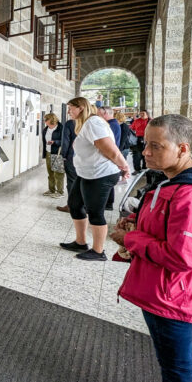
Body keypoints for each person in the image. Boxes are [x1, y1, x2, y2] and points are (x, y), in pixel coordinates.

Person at [112, 114, 192, 382]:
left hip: (174, 293)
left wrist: (131, 238)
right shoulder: (177, 180)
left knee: (177, 368)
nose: (145, 152)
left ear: (183, 149)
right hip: (180, 290)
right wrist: (138, 222)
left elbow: (184, 257)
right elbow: (171, 226)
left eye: (155, 146)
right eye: (146, 144)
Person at [60, 97, 129, 261]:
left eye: (71, 108)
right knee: (75, 205)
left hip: (100, 174)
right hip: (87, 172)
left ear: (81, 108)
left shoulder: (93, 123)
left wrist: (124, 167)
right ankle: (80, 241)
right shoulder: (86, 124)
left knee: (95, 211)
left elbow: (111, 150)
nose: (69, 111)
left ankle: (98, 251)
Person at [98, 106, 121, 212]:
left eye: (99, 114)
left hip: (108, 156)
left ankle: (107, 203)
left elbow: (108, 143)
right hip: (109, 156)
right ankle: (108, 203)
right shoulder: (113, 124)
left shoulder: (111, 125)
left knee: (106, 182)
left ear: (105, 114)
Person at [56, 114, 78, 214]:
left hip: (71, 157)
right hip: (86, 159)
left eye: (71, 108)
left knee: (71, 182)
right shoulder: (92, 122)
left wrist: (63, 156)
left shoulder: (70, 123)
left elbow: (65, 142)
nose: (69, 111)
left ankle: (71, 206)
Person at [42, 113, 64, 197]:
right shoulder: (45, 129)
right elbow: (44, 142)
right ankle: (51, 190)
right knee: (50, 172)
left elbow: (64, 141)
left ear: (51, 120)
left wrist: (55, 142)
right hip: (48, 152)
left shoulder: (61, 128)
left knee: (58, 173)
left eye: (46, 120)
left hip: (58, 152)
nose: (44, 122)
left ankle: (60, 192)